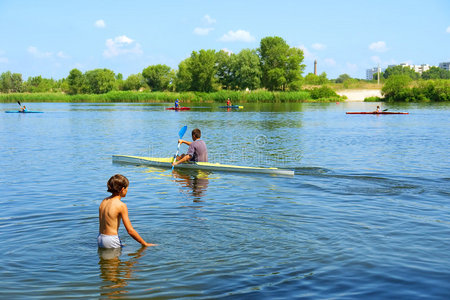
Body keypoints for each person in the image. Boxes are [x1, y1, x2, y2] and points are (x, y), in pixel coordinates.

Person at [98, 174, 157, 248]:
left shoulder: (104, 201)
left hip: (100, 238)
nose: (127, 190)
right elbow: (130, 230)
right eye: (127, 188)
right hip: (111, 240)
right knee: (117, 259)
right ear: (123, 189)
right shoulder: (121, 205)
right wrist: (145, 244)